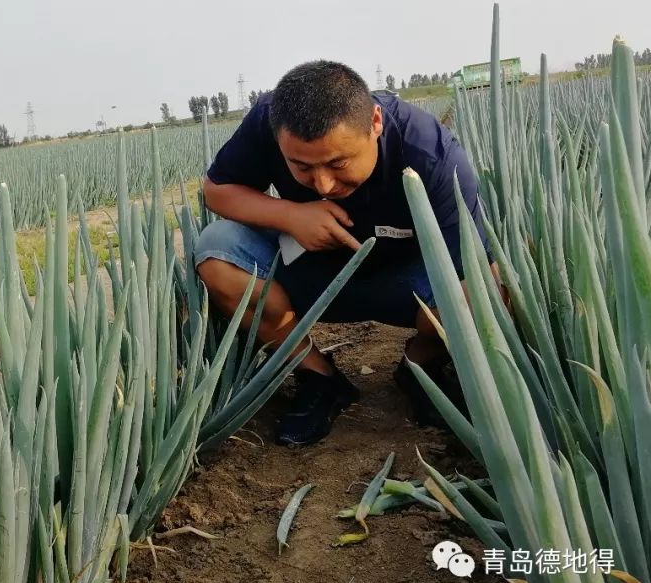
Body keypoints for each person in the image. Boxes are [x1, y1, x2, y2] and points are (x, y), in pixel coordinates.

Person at [194, 60, 500, 446]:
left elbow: (474, 272)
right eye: (301, 167)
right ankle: (317, 376)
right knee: (216, 249)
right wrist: (291, 214)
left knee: (484, 292)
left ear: (375, 123)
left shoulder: (429, 153)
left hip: (404, 282)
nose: (322, 183)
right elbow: (216, 190)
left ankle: (421, 367)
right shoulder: (269, 121)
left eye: (338, 164)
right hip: (309, 274)